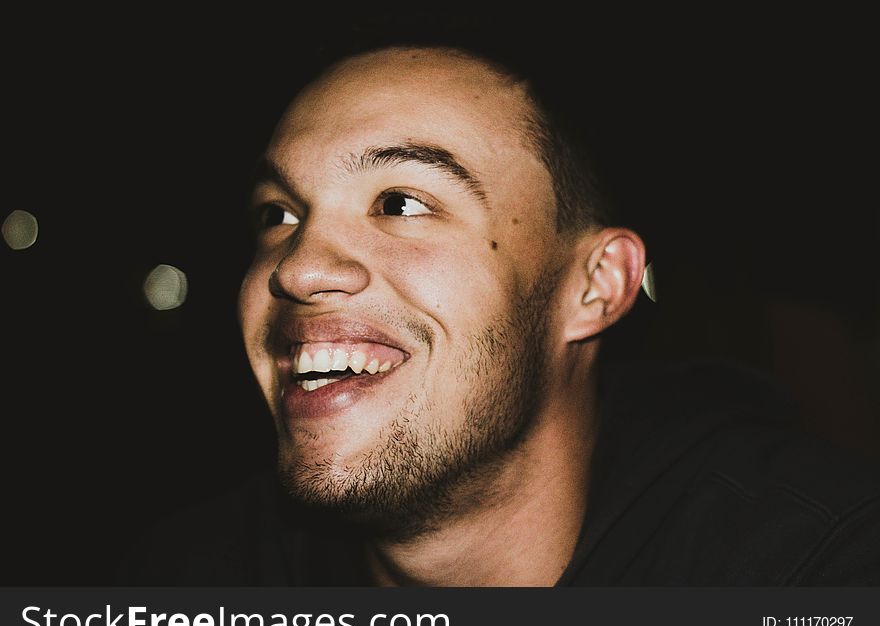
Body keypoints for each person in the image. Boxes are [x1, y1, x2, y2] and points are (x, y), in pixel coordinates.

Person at [120, 32, 880, 587]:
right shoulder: (180, 583)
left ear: (596, 286)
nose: (298, 267)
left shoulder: (817, 567)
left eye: (400, 202)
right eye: (277, 214)